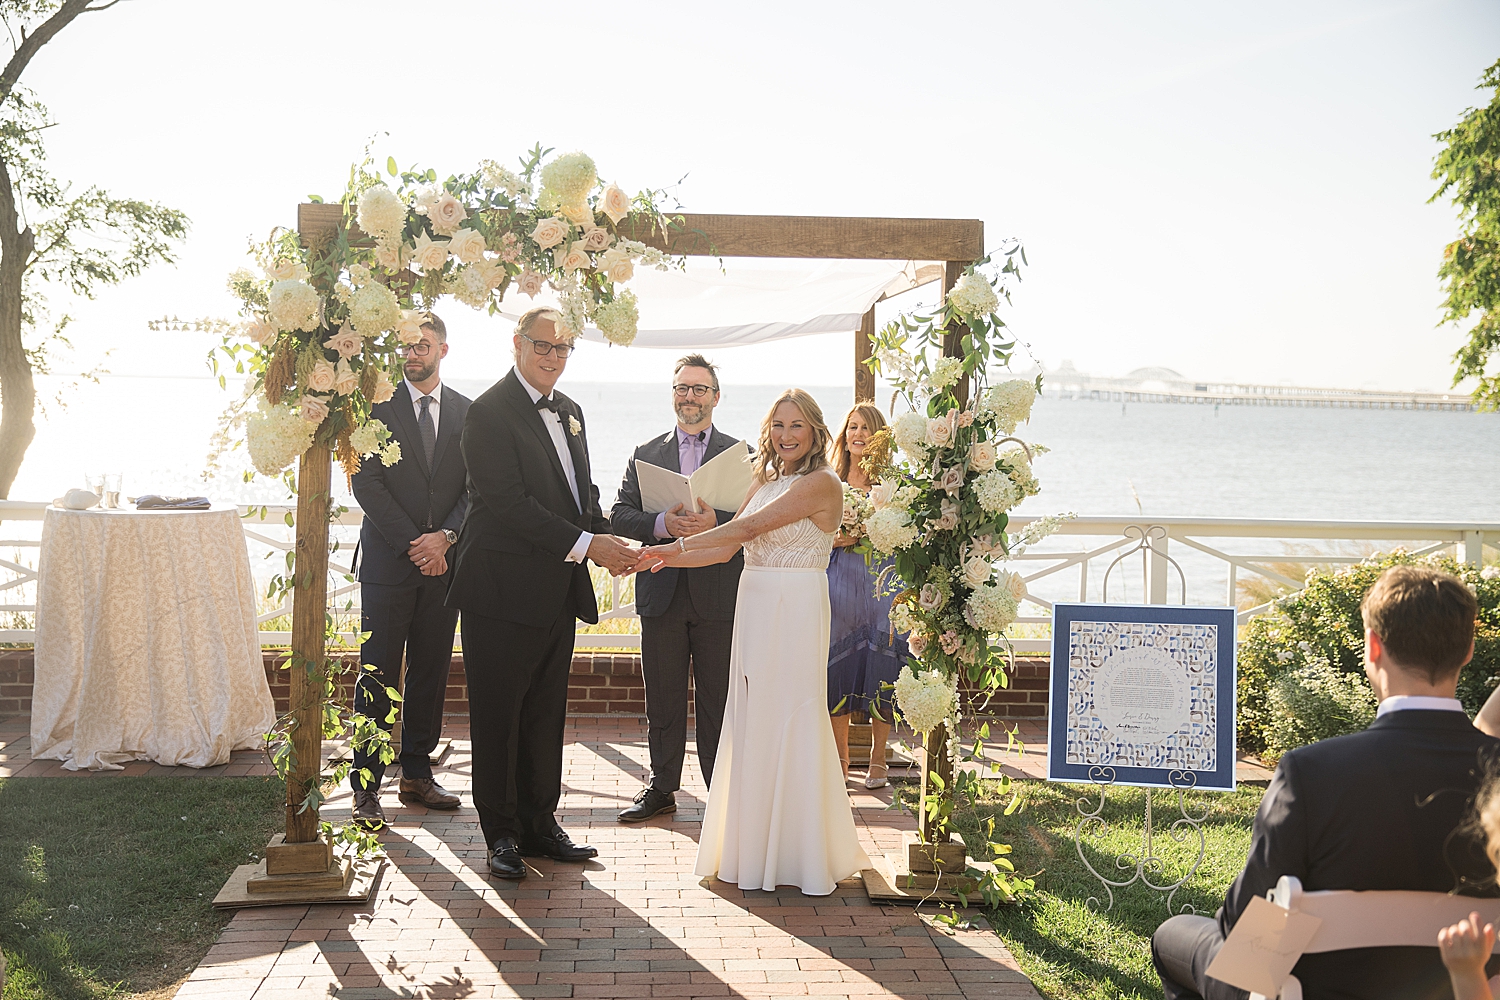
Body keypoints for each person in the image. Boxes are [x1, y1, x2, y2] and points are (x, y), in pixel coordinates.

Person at [1152, 564, 1500, 999]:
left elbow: (1244, 923)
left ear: (1373, 647)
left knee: (1174, 935)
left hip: (1310, 987)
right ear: (1468, 650)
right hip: (1466, 985)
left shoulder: (1312, 770)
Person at [633, 389, 872, 896]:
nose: (786, 435)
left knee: (792, 712)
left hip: (796, 604)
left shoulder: (823, 483)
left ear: (815, 433)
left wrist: (674, 543)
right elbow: (726, 549)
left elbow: (748, 525)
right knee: (754, 716)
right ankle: (752, 848)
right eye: (779, 425)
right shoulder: (764, 479)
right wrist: (662, 560)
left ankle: (799, 852)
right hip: (756, 601)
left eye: (797, 426)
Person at [445, 307, 637, 881]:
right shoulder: (486, 413)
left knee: (546, 714)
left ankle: (541, 824)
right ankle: (500, 834)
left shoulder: (571, 412)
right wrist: (588, 544)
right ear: (517, 344)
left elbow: (580, 496)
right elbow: (508, 505)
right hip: (499, 590)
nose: (552, 356)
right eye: (542, 346)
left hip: (556, 589)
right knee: (499, 716)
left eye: (562, 349)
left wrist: (622, 535)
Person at [348, 312, 470, 829]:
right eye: (406, 345)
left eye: (423, 344)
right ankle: (366, 784)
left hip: (445, 564)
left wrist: (445, 538)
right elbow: (365, 483)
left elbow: (475, 488)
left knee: (431, 670)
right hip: (387, 563)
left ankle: (417, 773)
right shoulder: (372, 407)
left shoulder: (469, 412)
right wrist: (415, 544)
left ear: (443, 349)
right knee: (377, 672)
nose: (413, 352)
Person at [611, 354, 744, 822]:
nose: (689, 396)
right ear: (673, 395)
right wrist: (661, 523)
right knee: (662, 697)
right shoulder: (646, 453)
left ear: (716, 397)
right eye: (682, 388)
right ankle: (662, 787)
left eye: (699, 389)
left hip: (718, 594)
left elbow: (754, 521)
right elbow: (618, 514)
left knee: (717, 697)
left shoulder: (738, 455)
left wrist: (718, 521)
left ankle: (720, 791)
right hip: (661, 593)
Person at [826, 403, 907, 789]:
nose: (857, 434)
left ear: (879, 438)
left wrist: (870, 532)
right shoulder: (828, 479)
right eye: (852, 427)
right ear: (843, 434)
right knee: (837, 662)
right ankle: (840, 761)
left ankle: (878, 760)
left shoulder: (894, 484)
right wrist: (836, 538)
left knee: (882, 664)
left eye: (866, 428)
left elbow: (905, 535)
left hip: (881, 578)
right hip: (838, 576)